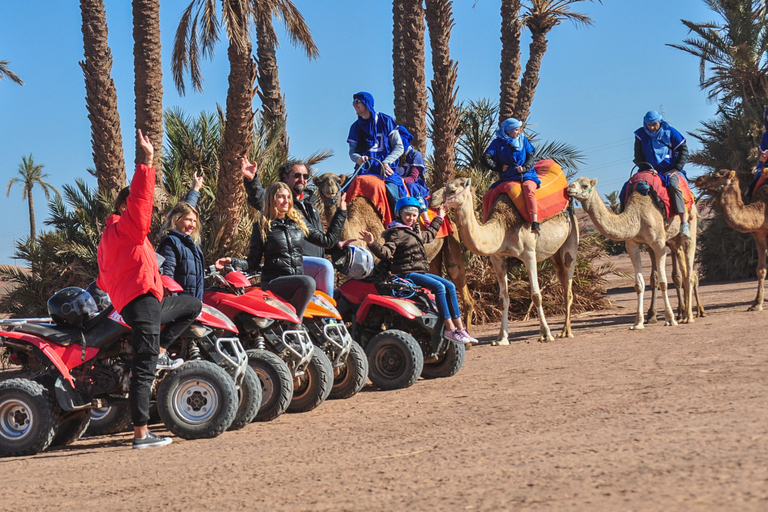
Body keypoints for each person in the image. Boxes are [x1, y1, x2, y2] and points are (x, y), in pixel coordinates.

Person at [97, 129, 202, 450]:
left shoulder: (110, 239)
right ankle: (141, 435)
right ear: (125, 206)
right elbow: (141, 201)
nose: (152, 210)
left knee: (192, 306)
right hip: (141, 304)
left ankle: (159, 348)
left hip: (142, 303)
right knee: (143, 371)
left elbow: (103, 281)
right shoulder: (126, 228)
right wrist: (147, 161)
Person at [217, 181, 348, 319]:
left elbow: (327, 241)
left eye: (288, 197)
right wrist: (233, 262)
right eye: (281, 197)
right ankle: (295, 323)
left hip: (296, 281)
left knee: (308, 284)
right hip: (274, 282)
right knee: (309, 282)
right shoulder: (262, 226)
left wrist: (341, 212)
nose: (286, 201)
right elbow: (252, 263)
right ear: (272, 199)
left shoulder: (298, 222)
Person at [359, 197, 476, 344]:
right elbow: (385, 253)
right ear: (399, 214)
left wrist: (439, 216)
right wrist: (372, 243)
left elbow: (430, 234)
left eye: (414, 215)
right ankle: (449, 328)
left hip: (418, 272)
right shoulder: (396, 233)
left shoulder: (413, 231)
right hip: (406, 273)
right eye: (408, 214)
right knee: (439, 287)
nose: (411, 218)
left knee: (450, 286)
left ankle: (460, 328)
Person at [241, 157, 340, 296]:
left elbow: (321, 241)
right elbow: (259, 197)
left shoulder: (309, 209)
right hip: (287, 269)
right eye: (297, 175)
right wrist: (252, 180)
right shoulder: (277, 200)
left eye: (305, 176)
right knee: (324, 266)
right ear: (284, 177)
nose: (302, 179)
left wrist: (337, 244)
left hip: (303, 268)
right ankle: (330, 318)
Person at [634, 110, 691, 237]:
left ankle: (684, 223)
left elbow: (683, 150)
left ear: (659, 122)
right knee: (632, 186)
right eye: (649, 125)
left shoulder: (670, 132)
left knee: (674, 186)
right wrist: (645, 168)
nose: (652, 127)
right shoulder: (640, 134)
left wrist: (676, 168)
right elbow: (638, 155)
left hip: (668, 171)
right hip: (648, 170)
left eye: (654, 124)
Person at [347, 91, 407, 207]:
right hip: (364, 169)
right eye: (353, 102)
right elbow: (352, 152)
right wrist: (358, 158)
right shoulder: (355, 127)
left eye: (357, 101)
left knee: (395, 199)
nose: (354, 105)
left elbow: (399, 146)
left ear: (367, 103)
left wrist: (386, 162)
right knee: (344, 197)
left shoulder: (385, 121)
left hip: (385, 171)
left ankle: (401, 222)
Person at [483, 118, 540, 233]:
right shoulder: (497, 143)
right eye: (516, 130)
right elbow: (485, 158)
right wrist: (499, 167)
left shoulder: (523, 140)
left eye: (519, 129)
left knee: (528, 188)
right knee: (487, 196)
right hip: (508, 177)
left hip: (526, 175)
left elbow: (531, 156)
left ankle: (535, 222)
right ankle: (486, 224)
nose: (518, 132)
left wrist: (524, 168)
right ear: (508, 130)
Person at [156, 173, 206, 301]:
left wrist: (195, 189)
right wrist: (177, 305)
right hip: (180, 307)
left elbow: (188, 207)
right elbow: (167, 278)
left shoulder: (189, 243)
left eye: (195, 221)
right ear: (176, 220)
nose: (192, 225)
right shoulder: (171, 243)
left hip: (194, 304)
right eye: (189, 220)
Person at [396, 125, 431, 226]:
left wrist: (402, 180)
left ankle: (426, 219)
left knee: (412, 188)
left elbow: (413, 177)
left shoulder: (415, 154)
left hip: (413, 183)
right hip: (397, 181)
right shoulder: (392, 154)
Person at [747, 108, 768, 199]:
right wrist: (763, 156)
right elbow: (763, 150)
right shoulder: (765, 136)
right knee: (753, 187)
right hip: (766, 166)